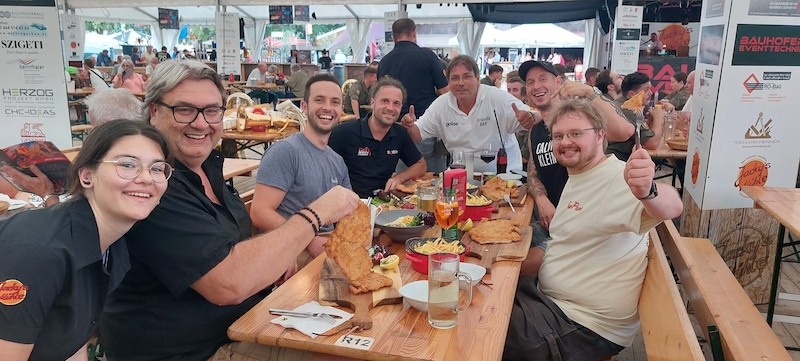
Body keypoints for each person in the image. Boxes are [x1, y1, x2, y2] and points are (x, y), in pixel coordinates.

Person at [100, 61, 360, 361]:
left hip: (244, 321)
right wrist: (314, 216)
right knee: (347, 354)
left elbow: (228, 246)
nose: (201, 123)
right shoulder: (151, 185)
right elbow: (228, 285)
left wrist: (272, 261)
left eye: (212, 111)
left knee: (357, 333)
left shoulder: (206, 169)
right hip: (194, 350)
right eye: (184, 109)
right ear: (154, 112)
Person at [503, 98, 683, 360]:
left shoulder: (616, 177)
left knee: (483, 333)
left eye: (576, 133)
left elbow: (673, 206)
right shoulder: (579, 175)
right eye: (559, 136)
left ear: (600, 135)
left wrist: (649, 191)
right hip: (553, 305)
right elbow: (567, 243)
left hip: (585, 325)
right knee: (481, 303)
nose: (565, 142)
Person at [0, 119, 172, 361]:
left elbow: (72, 342)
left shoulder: (112, 246)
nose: (146, 178)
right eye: (127, 164)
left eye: (157, 168)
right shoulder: (41, 252)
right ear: (87, 176)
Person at [518, 60, 635, 274]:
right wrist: (542, 200)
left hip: (580, 232)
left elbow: (625, 131)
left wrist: (589, 92)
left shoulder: (581, 120)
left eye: (543, 79)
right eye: (530, 82)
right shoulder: (535, 132)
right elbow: (533, 173)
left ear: (558, 82)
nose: (536, 86)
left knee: (513, 268)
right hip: (551, 224)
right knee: (507, 243)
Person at [250, 73, 351, 272]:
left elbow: (348, 212)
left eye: (335, 102)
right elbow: (259, 213)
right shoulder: (286, 151)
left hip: (328, 245)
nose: (328, 108)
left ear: (341, 110)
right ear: (304, 107)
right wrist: (309, 238)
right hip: (293, 250)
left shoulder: (337, 161)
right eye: (319, 100)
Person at [401, 55, 536, 173]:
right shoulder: (441, 104)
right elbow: (418, 134)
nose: (460, 83)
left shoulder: (497, 98)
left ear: (477, 79)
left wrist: (531, 118)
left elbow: (535, 116)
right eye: (455, 78)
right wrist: (409, 125)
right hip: (461, 177)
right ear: (448, 82)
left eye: (466, 77)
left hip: (504, 178)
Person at [330, 76, 425, 198]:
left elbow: (421, 165)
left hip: (384, 204)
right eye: (385, 101)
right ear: (373, 103)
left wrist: (398, 178)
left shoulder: (400, 134)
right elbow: (321, 168)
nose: (390, 108)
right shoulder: (345, 132)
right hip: (348, 205)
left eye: (396, 103)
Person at [378, 18, 449, 173]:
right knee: (432, 181)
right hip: (424, 128)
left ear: (393, 37)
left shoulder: (383, 62)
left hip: (393, 130)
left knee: (402, 181)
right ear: (414, 33)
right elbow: (445, 93)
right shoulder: (427, 56)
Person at [609, 72, 664, 161]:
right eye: (646, 90)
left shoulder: (624, 104)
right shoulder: (627, 109)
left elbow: (644, 134)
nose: (650, 93)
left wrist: (652, 119)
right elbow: (652, 143)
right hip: (617, 161)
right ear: (632, 94)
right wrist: (659, 117)